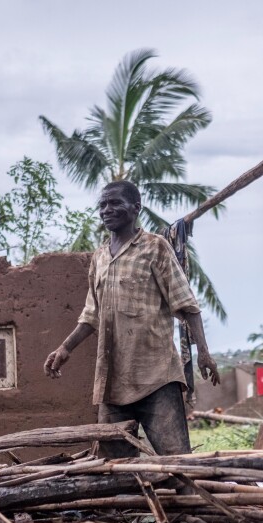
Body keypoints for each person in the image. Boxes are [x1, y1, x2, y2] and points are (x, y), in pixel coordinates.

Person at [44, 180, 220, 458]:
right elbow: (92, 314)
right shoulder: (100, 257)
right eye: (102, 205)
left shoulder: (155, 248)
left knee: (177, 464)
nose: (106, 210)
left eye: (115, 203)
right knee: (116, 471)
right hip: (113, 383)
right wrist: (65, 348)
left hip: (156, 379)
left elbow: (187, 305)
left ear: (136, 207)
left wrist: (204, 354)